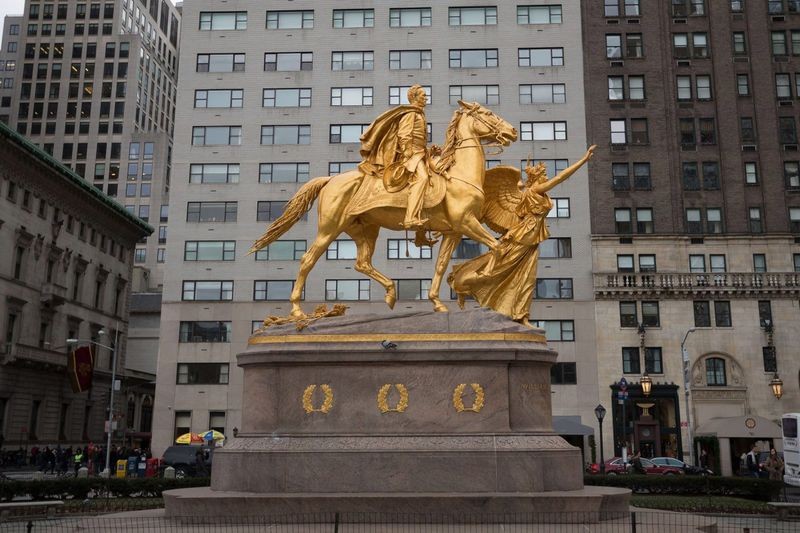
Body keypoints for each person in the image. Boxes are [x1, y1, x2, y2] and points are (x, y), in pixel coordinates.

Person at [450, 146, 596, 324]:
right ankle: (463, 284)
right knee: (497, 270)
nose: (546, 177)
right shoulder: (535, 191)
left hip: (532, 241)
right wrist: (583, 160)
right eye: (543, 174)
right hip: (522, 238)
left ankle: (521, 315)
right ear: (536, 178)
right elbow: (560, 178)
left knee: (527, 279)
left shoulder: (534, 193)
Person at [358, 84, 431, 229]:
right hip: (412, 155)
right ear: (414, 97)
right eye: (423, 96)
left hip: (420, 153)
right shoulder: (411, 113)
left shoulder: (419, 114)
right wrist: (407, 152)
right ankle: (410, 217)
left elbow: (419, 139)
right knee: (422, 178)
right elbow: (404, 134)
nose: (426, 98)